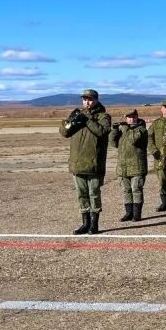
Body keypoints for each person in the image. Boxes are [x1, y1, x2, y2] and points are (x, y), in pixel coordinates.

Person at [59, 89, 111, 235]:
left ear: (96, 100)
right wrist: (70, 121)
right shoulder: (79, 115)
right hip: (77, 163)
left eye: (90, 99)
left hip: (94, 164)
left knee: (94, 194)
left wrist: (87, 119)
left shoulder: (103, 116)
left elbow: (102, 131)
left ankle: (94, 224)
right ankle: (85, 223)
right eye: (84, 99)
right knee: (82, 195)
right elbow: (64, 133)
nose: (87, 102)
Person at [109, 109, 149, 222]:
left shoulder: (141, 129)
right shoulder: (123, 130)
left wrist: (125, 129)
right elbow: (112, 143)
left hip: (137, 166)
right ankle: (128, 213)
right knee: (126, 190)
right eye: (129, 117)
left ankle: (137, 214)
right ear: (126, 118)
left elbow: (133, 140)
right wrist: (115, 130)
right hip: (123, 167)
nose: (131, 119)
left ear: (137, 117)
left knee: (136, 190)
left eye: (133, 117)